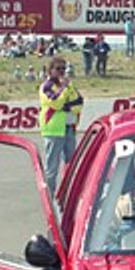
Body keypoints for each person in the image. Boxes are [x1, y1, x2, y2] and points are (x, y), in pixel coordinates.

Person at [37, 56, 83, 193]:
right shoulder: (46, 86)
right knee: (52, 168)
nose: (61, 71)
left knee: (71, 165)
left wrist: (66, 106)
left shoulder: (69, 86)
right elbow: (56, 103)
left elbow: (79, 103)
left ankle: (68, 195)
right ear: (50, 70)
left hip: (69, 128)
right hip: (53, 130)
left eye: (64, 68)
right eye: (58, 69)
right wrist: (63, 90)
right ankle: (49, 196)